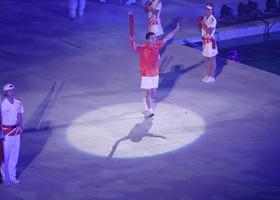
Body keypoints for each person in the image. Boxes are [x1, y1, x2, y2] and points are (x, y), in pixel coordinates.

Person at [129, 23, 180, 117]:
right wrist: (132, 41)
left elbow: (166, 38)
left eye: (155, 38)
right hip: (146, 73)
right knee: (149, 92)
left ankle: (146, 100)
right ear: (148, 40)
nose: (154, 39)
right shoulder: (143, 48)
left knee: (154, 92)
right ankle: (150, 110)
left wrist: (175, 30)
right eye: (152, 38)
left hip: (155, 73)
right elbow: (134, 47)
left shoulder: (157, 46)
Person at [0, 83, 24, 184]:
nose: (12, 92)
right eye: (10, 91)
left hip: (16, 132)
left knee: (14, 154)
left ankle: (12, 175)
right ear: (5, 93)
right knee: (6, 155)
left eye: (13, 90)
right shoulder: (2, 104)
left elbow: (20, 115)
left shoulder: (18, 102)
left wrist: (21, 127)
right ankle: (5, 176)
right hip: (6, 133)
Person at [199, 3, 218, 83]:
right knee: (207, 58)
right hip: (205, 41)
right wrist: (199, 25)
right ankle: (208, 75)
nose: (207, 10)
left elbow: (210, 32)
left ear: (212, 10)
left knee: (212, 59)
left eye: (209, 9)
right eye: (206, 9)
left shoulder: (213, 20)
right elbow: (202, 30)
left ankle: (212, 76)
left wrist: (203, 25)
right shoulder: (205, 18)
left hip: (210, 42)